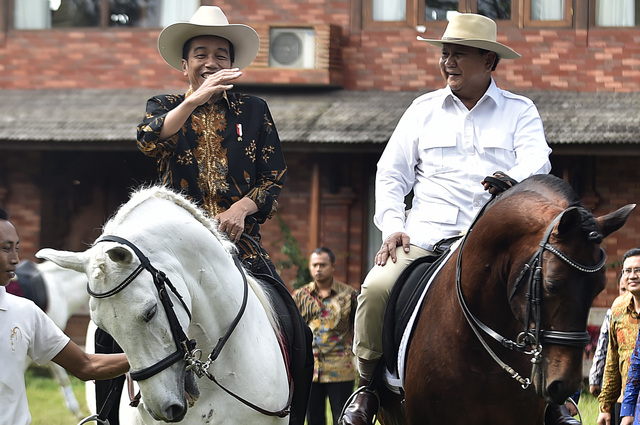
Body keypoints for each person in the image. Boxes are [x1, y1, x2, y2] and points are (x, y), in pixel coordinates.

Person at [339, 12, 562, 425]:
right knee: (373, 289)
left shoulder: (520, 110)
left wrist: (512, 181)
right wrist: (392, 225)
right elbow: (390, 174)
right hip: (424, 237)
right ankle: (367, 387)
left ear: (489, 62)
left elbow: (538, 159)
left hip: (495, 244)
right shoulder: (422, 110)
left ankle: (553, 399)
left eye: (459, 55)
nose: (448, 63)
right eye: (445, 54)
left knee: (546, 293)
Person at [134, 6, 311, 425]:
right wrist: (193, 100)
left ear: (232, 64)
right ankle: (106, 413)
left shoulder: (254, 110)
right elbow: (148, 140)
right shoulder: (164, 105)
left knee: (295, 327)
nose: (210, 62)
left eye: (220, 55)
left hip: (240, 248)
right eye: (200, 54)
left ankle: (294, 414)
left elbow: (274, 176)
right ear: (184, 64)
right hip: (172, 248)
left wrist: (244, 206)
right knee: (115, 326)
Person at [0, 208, 129, 425]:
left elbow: (86, 365)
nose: (15, 259)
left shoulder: (26, 313)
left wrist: (153, 359)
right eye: (6, 249)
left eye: (17, 248)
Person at [294, 247, 358, 425]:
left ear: (332, 266)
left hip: (341, 369)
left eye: (323, 265)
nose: (318, 269)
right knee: (313, 419)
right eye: (314, 265)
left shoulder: (349, 295)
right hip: (310, 369)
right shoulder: (300, 297)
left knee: (342, 418)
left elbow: (360, 329)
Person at [597, 248, 640, 425]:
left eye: (638, 270)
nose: (632, 276)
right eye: (627, 271)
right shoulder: (619, 308)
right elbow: (612, 357)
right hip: (624, 400)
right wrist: (605, 406)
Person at [591, 274, 628, 397]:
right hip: (616, 379)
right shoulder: (613, 312)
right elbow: (603, 346)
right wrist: (595, 378)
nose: (626, 294)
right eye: (623, 289)